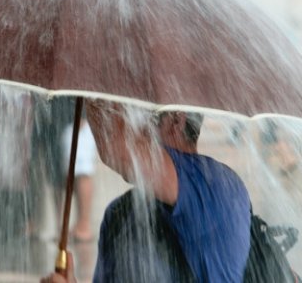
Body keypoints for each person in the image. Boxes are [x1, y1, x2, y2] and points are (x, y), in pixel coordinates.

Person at [42, 101, 252, 282]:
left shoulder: (217, 186)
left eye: (140, 113)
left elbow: (116, 146)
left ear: (176, 119)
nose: (132, 125)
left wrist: (89, 71)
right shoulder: (119, 212)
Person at [60, 113, 98, 243]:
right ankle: (79, 225)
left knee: (82, 170)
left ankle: (84, 226)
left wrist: (83, 115)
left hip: (78, 118)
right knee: (73, 172)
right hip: (63, 118)